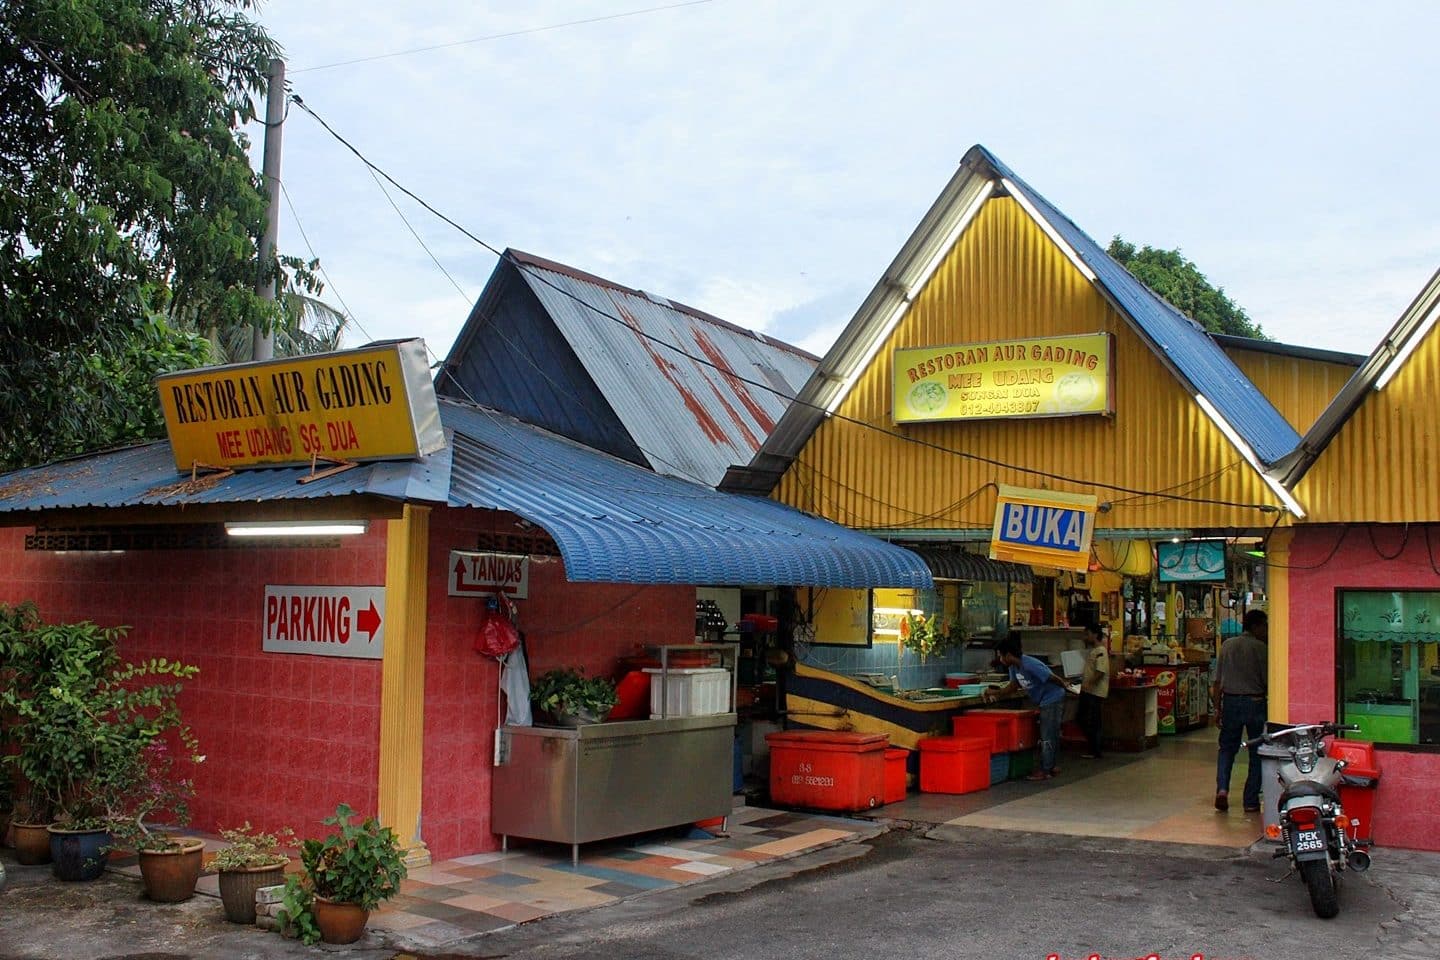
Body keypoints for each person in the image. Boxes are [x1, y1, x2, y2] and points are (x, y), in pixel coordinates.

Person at [983, 634, 1069, 780]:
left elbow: (1051, 677)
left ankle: (1045, 769)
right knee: (1050, 733)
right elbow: (1013, 686)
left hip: (1053, 698)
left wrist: (1066, 686)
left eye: (1001, 656)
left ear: (1009, 655)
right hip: (1044, 700)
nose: (1000, 659)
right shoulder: (1013, 668)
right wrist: (997, 693)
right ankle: (1051, 765)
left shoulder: (1029, 664)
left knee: (1047, 735)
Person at [1212, 609, 1269, 813]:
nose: (1266, 630)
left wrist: (1217, 708)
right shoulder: (1261, 648)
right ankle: (1251, 800)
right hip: (1255, 703)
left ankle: (1222, 789)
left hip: (1231, 702)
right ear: (1255, 627)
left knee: (1227, 749)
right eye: (1264, 626)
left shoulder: (1227, 646)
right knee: (1257, 752)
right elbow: (1267, 681)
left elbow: (1217, 681)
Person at [1077, 622, 1109, 759]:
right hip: (1089, 691)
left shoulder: (1100, 651)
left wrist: (1089, 683)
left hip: (1094, 692)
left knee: (1091, 720)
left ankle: (1095, 750)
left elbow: (1100, 672)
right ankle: (1093, 748)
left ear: (1095, 634)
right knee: (1085, 719)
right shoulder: (1094, 651)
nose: (1085, 637)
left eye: (1087, 634)